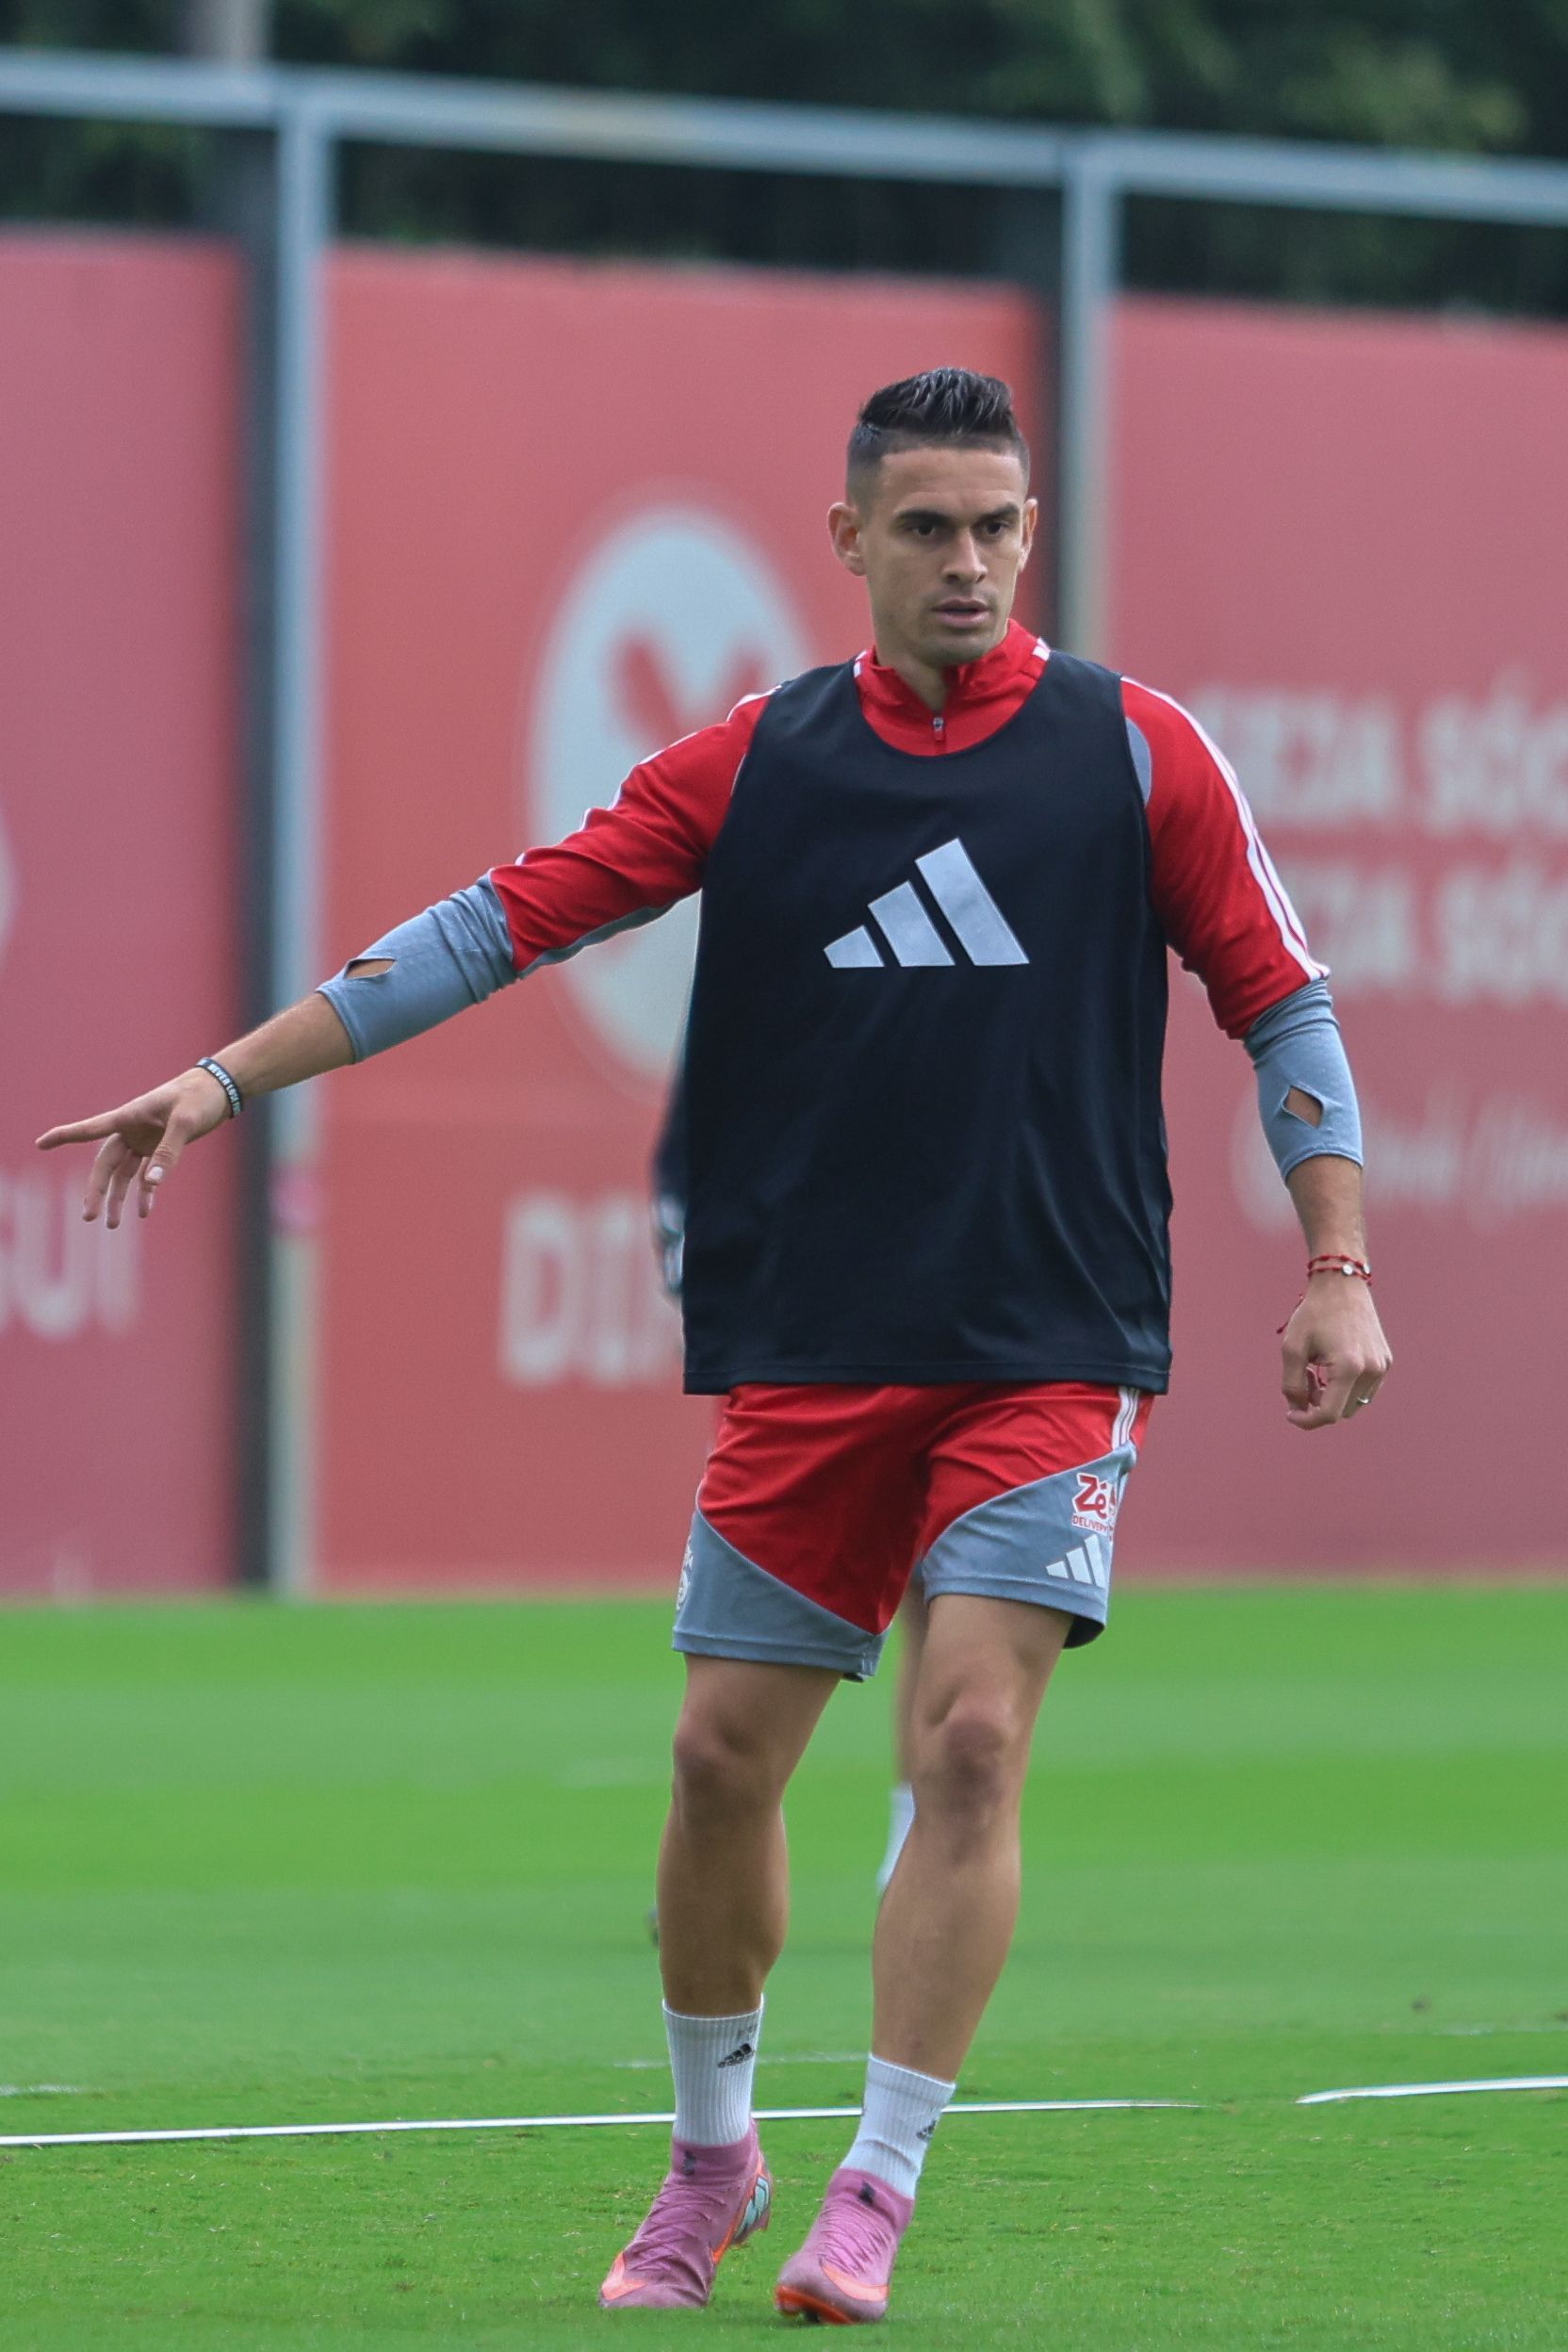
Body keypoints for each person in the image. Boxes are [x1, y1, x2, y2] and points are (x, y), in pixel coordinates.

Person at [39, 368, 1391, 2326]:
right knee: (714, 1765)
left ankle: (877, 2182)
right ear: (848, 541)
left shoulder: (1132, 754)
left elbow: (1283, 1002)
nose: (965, 561)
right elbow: (497, 925)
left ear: (1032, 534)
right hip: (814, 1341)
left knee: (971, 1736)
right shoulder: (758, 763)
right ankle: (710, 2159)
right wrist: (224, 1079)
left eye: (995, 526)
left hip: (1049, 1339)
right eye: (924, 527)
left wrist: (1337, 1259)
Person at [652, 1069, 923, 1906]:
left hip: (946, 1315)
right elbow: (687, 1150)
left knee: (940, 1586)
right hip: (793, 1341)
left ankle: (914, 1841)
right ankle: (713, 1851)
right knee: (738, 1656)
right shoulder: (762, 1010)